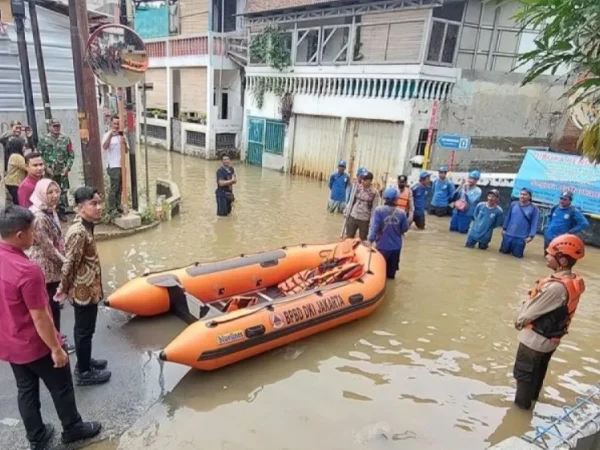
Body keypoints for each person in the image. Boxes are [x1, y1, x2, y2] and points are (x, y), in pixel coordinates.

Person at [0, 205, 102, 450]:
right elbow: (41, 318)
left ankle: (37, 436)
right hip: (36, 344)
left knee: (26, 390)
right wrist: (56, 348)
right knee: (62, 386)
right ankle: (73, 428)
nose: (35, 236)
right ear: (19, 235)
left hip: (10, 343)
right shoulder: (28, 270)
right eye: (32, 231)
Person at [513, 234, 586, 410]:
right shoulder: (571, 281)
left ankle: (520, 413)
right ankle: (530, 406)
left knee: (523, 377)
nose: (546, 256)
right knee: (536, 375)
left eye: (550, 254)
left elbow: (525, 318)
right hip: (549, 341)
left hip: (534, 341)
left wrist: (519, 319)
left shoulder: (555, 287)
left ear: (562, 259)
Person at [57, 187, 111, 386]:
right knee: (83, 331)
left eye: (99, 202)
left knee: (86, 330)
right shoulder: (78, 232)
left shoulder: (87, 226)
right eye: (93, 204)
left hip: (89, 288)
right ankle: (83, 372)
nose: (98, 207)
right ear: (81, 207)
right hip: (82, 291)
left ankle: (85, 361)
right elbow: (69, 264)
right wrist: (63, 289)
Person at [27, 178, 75, 354]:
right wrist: (67, 264)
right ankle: (56, 344)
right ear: (41, 194)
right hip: (46, 270)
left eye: (56, 192)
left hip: (53, 267)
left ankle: (56, 337)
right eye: (50, 193)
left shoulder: (49, 211)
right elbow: (49, 249)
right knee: (51, 308)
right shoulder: (39, 218)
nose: (54, 196)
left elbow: (58, 240)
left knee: (54, 307)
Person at [367, 188, 409, 280]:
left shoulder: (379, 211)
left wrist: (370, 241)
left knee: (378, 272)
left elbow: (374, 227)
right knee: (391, 275)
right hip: (396, 247)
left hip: (382, 246)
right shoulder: (402, 213)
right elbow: (405, 228)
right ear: (396, 199)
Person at [38, 119, 75, 221]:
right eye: (54, 126)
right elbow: (40, 155)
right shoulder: (43, 139)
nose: (56, 128)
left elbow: (71, 155)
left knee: (62, 192)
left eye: (58, 126)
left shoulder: (65, 139)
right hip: (49, 172)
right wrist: (46, 168)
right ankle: (49, 213)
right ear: (49, 127)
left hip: (62, 171)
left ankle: (61, 212)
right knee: (48, 192)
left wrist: (68, 167)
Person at [101, 115, 129, 217]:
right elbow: (104, 147)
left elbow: (126, 151)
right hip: (113, 166)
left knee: (120, 187)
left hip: (122, 165)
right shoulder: (107, 135)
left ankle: (118, 205)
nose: (116, 126)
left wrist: (125, 143)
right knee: (114, 187)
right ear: (111, 123)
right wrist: (111, 136)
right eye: (115, 123)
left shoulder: (122, 135)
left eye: (118, 124)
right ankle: (111, 209)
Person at [500, 188, 539, 258]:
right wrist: (504, 229)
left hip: (521, 238)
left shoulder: (534, 208)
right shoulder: (513, 204)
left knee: (517, 257)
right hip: (508, 235)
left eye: (524, 194)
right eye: (521, 194)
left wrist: (531, 236)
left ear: (529, 196)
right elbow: (508, 217)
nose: (522, 196)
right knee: (502, 254)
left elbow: (534, 223)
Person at [344, 171, 380, 241]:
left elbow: (374, 209)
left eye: (365, 180)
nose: (363, 181)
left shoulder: (374, 193)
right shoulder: (357, 188)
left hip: (364, 219)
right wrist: (346, 210)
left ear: (370, 181)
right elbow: (351, 201)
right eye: (362, 179)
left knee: (362, 239)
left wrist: (372, 222)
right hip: (353, 215)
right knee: (349, 237)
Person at [3, 139, 29, 206]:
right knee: (17, 203)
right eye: (23, 146)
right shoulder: (17, 157)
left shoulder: (12, 155)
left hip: (10, 182)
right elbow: (27, 168)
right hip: (15, 183)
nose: (25, 148)